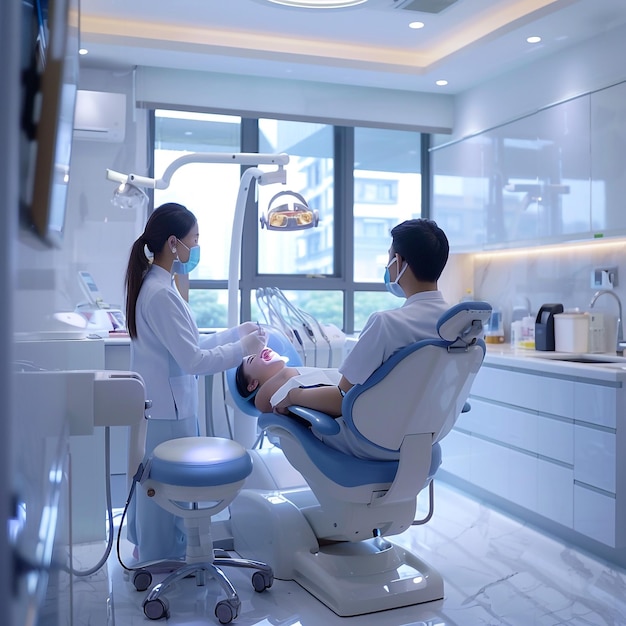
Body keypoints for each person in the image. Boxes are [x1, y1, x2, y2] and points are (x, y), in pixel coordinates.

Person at [235, 218, 451, 459]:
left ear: (398, 261)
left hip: (370, 443)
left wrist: (293, 396)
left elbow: (341, 399)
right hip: (423, 440)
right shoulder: (459, 326)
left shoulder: (388, 324)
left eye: (389, 258)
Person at [124, 202, 266, 562]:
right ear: (173, 243)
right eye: (195, 240)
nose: (196, 249)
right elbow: (194, 361)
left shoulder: (159, 288)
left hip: (168, 406)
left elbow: (190, 345)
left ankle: (161, 553)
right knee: (164, 493)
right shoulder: (160, 295)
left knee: (163, 491)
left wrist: (235, 334)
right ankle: (160, 561)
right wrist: (241, 349)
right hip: (167, 412)